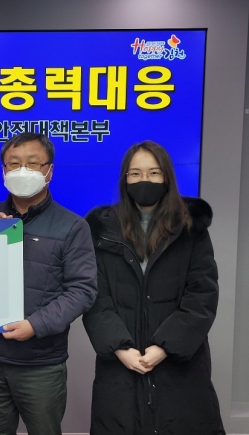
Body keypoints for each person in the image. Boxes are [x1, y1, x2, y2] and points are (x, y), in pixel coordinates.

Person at [82, 140, 225, 434]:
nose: (143, 180)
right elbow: (95, 297)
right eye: (135, 173)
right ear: (125, 179)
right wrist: (121, 348)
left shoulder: (190, 229)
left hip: (179, 367)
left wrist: (164, 347)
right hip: (120, 365)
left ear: (167, 177)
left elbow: (202, 295)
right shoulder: (102, 231)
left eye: (153, 173)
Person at [0, 132, 98, 435]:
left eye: (32, 164)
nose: (22, 171)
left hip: (41, 362)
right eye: (14, 164)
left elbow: (83, 290)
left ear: (49, 171)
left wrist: (35, 325)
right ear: (3, 170)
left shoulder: (73, 226)